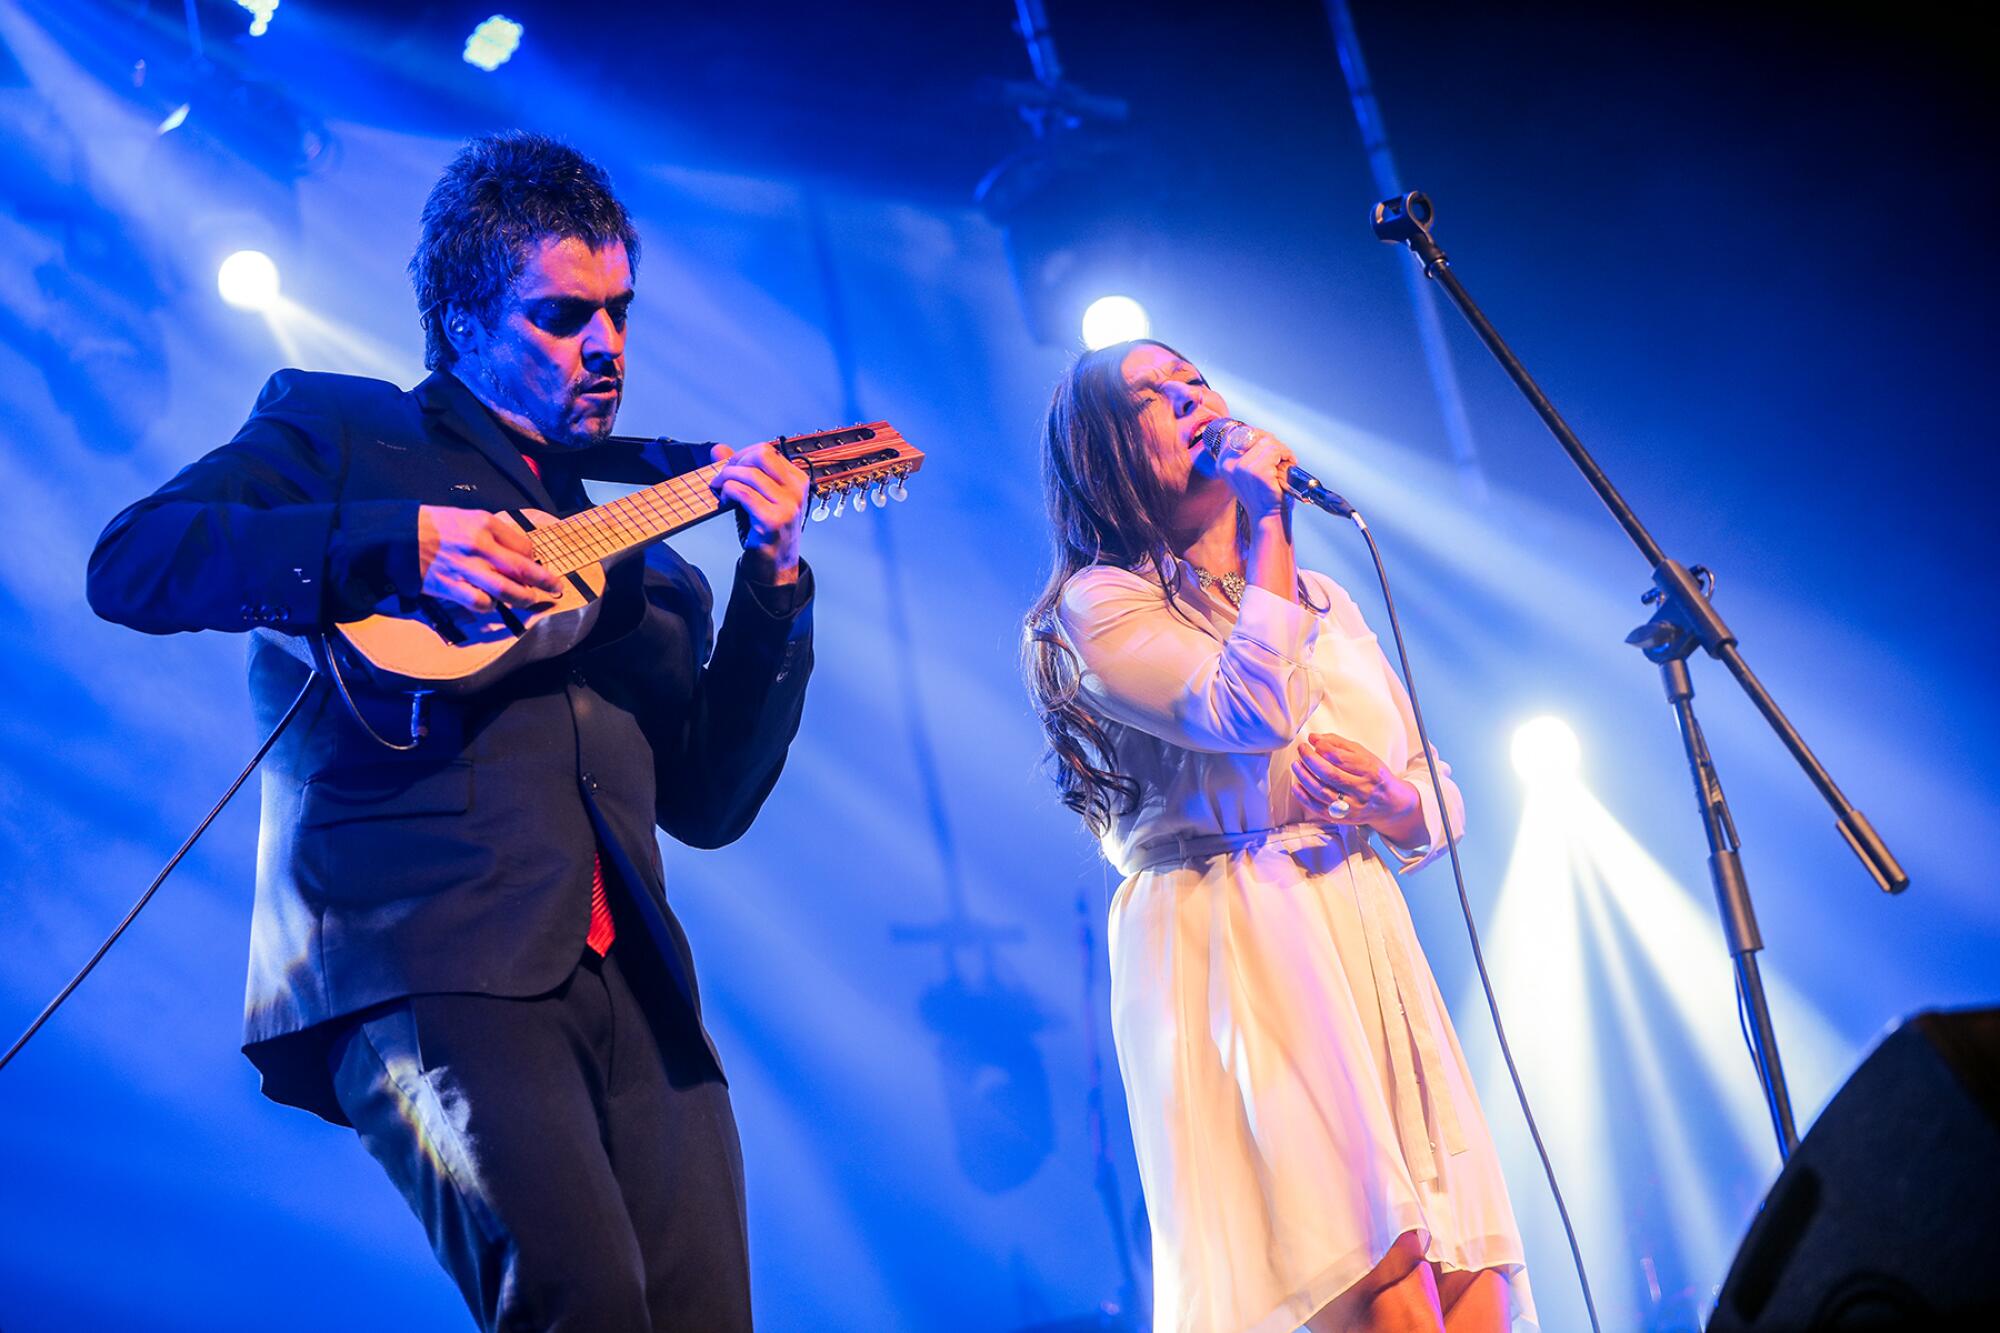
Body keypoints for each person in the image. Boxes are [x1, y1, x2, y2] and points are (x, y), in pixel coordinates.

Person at [86, 132, 813, 1331]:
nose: (606, 347)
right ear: (465, 320)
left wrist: (773, 585)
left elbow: (710, 805)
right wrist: (398, 542)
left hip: (633, 978)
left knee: (702, 1317)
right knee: (578, 1295)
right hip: (423, 950)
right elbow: (134, 562)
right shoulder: (343, 433)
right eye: (563, 316)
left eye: (620, 314)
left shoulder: (648, 558)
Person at [1022, 340, 1535, 1333]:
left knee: (1466, 1270)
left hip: (1359, 929)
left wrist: (1392, 802)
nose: (1190, 397)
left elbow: (1435, 786)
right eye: (1152, 396)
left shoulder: (1318, 599)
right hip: (1243, 944)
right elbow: (1247, 710)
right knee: (1367, 1272)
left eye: (1193, 379)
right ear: (1101, 455)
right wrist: (1266, 522)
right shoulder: (1094, 608)